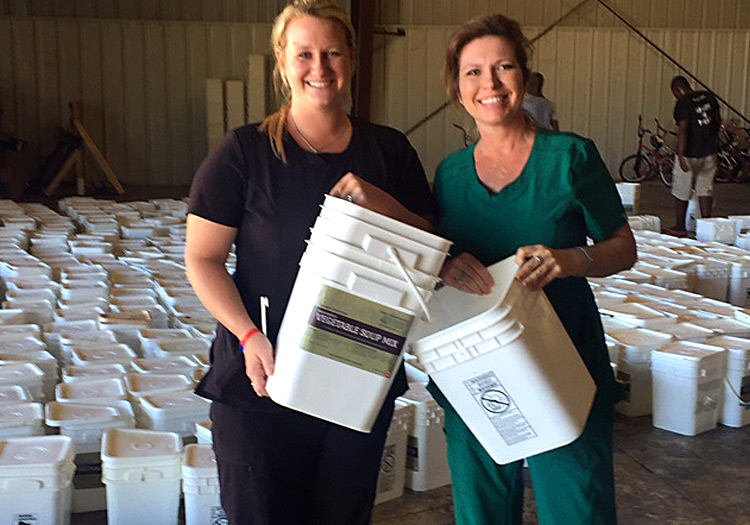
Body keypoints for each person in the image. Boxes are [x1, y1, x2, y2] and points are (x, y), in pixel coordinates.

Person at [184, 1, 437, 523]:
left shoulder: (387, 152)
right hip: (261, 377)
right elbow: (203, 259)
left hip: (356, 373)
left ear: (351, 61)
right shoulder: (245, 152)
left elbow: (431, 243)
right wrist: (248, 336)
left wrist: (381, 201)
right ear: (282, 60)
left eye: (333, 54)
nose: (319, 69)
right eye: (305, 54)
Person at [431, 13, 637, 524]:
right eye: (473, 72)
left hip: (561, 358)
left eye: (503, 67)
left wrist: (570, 260)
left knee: (576, 507)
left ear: (523, 75)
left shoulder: (570, 157)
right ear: (458, 90)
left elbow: (623, 246)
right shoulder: (451, 175)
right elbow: (441, 260)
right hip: (476, 367)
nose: (490, 84)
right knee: (482, 511)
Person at [666, 75, 720, 236]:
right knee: (705, 189)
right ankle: (706, 225)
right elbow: (717, 120)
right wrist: (713, 141)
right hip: (710, 151)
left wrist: (681, 155)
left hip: (690, 154)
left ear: (677, 90)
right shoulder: (709, 96)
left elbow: (683, 129)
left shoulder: (682, 103)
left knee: (682, 190)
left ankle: (680, 226)